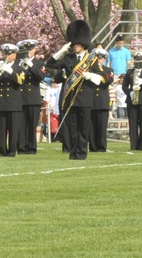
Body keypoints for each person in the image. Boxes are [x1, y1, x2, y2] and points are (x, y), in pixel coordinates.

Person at [46, 20, 107, 160]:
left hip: (85, 98)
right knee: (72, 128)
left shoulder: (91, 60)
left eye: (78, 44)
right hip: (71, 98)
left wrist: (92, 75)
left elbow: (104, 75)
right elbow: (50, 64)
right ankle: (73, 152)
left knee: (83, 127)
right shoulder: (68, 58)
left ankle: (81, 153)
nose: (75, 46)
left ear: (84, 43)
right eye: (74, 43)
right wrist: (61, 50)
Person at [0, 43, 24, 157]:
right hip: (1, 102)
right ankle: (2, 151)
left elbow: (20, 81)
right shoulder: (0, 66)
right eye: (5, 54)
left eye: (9, 54)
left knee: (13, 129)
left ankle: (11, 151)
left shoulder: (19, 68)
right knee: (2, 129)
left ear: (15, 55)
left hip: (14, 103)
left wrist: (10, 72)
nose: (7, 56)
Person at [122, 52, 142, 150]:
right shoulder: (129, 72)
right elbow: (124, 86)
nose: (138, 62)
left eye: (140, 60)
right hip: (132, 100)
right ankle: (133, 146)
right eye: (137, 60)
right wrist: (129, 93)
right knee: (133, 124)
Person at [17, 40, 44, 155]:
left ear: (34, 50)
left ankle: (31, 148)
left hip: (33, 98)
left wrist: (31, 65)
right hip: (21, 98)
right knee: (21, 125)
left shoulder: (39, 64)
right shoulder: (18, 62)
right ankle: (21, 148)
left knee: (32, 125)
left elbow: (40, 76)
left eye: (31, 49)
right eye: (27, 50)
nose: (29, 51)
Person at [88, 47, 114, 153]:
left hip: (103, 102)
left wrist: (95, 74)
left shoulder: (108, 70)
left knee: (102, 127)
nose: (100, 60)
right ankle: (93, 147)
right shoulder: (89, 69)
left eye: (102, 58)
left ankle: (102, 147)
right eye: (98, 58)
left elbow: (108, 79)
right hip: (91, 101)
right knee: (92, 126)